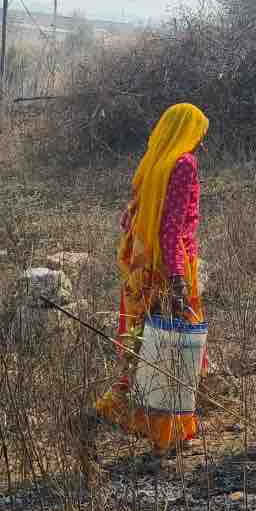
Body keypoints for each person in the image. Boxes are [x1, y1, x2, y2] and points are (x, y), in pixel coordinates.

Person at [78, 103, 210, 474]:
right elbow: (171, 226)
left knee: (146, 349)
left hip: (141, 271)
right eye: (200, 132)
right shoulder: (182, 164)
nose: (201, 140)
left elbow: (130, 218)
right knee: (170, 352)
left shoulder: (153, 161)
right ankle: (120, 421)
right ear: (187, 132)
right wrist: (179, 280)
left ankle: (173, 431)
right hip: (168, 270)